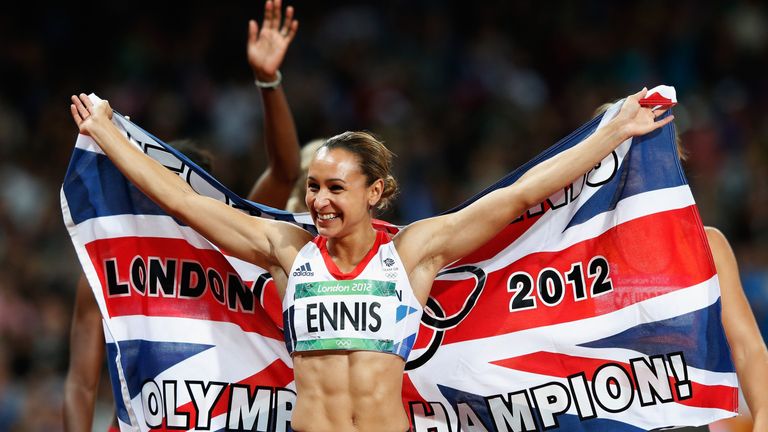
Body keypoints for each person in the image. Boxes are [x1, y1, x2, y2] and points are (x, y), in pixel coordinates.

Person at [69, 77, 670, 431]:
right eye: (313, 188)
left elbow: (519, 194)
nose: (319, 202)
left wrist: (615, 130)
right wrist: (108, 135)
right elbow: (181, 201)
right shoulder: (287, 250)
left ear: (375, 192)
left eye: (335, 189)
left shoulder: (413, 254)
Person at [62, 1, 301, 430]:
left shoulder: (234, 241)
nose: (170, 208)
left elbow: (285, 171)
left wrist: (269, 81)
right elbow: (81, 384)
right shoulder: (109, 264)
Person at [593, 103, 768, 432]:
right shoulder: (571, 265)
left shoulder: (706, 246)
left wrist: (763, 421)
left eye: (652, 149)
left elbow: (748, 347)